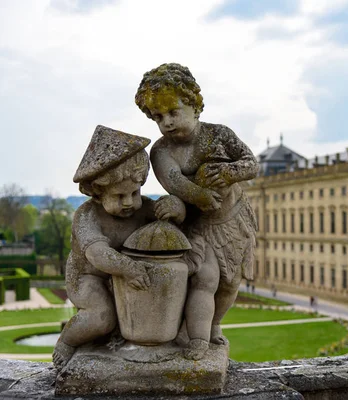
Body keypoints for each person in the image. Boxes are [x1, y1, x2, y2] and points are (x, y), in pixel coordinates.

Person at [136, 63, 259, 359]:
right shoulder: (161, 152)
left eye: (173, 111)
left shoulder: (219, 135)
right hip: (198, 223)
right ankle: (198, 338)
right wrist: (199, 194)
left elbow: (252, 163)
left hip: (233, 221)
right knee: (205, 278)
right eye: (158, 117)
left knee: (230, 285)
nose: (166, 122)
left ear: (193, 104)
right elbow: (174, 181)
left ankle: (215, 325)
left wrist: (230, 172)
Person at [53, 126, 185, 370]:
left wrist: (176, 208)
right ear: (97, 193)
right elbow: (96, 254)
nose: (129, 202)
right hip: (88, 277)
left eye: (135, 192)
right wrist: (129, 268)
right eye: (119, 196)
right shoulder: (87, 215)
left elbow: (170, 223)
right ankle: (67, 341)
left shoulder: (141, 208)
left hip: (124, 275)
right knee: (100, 317)